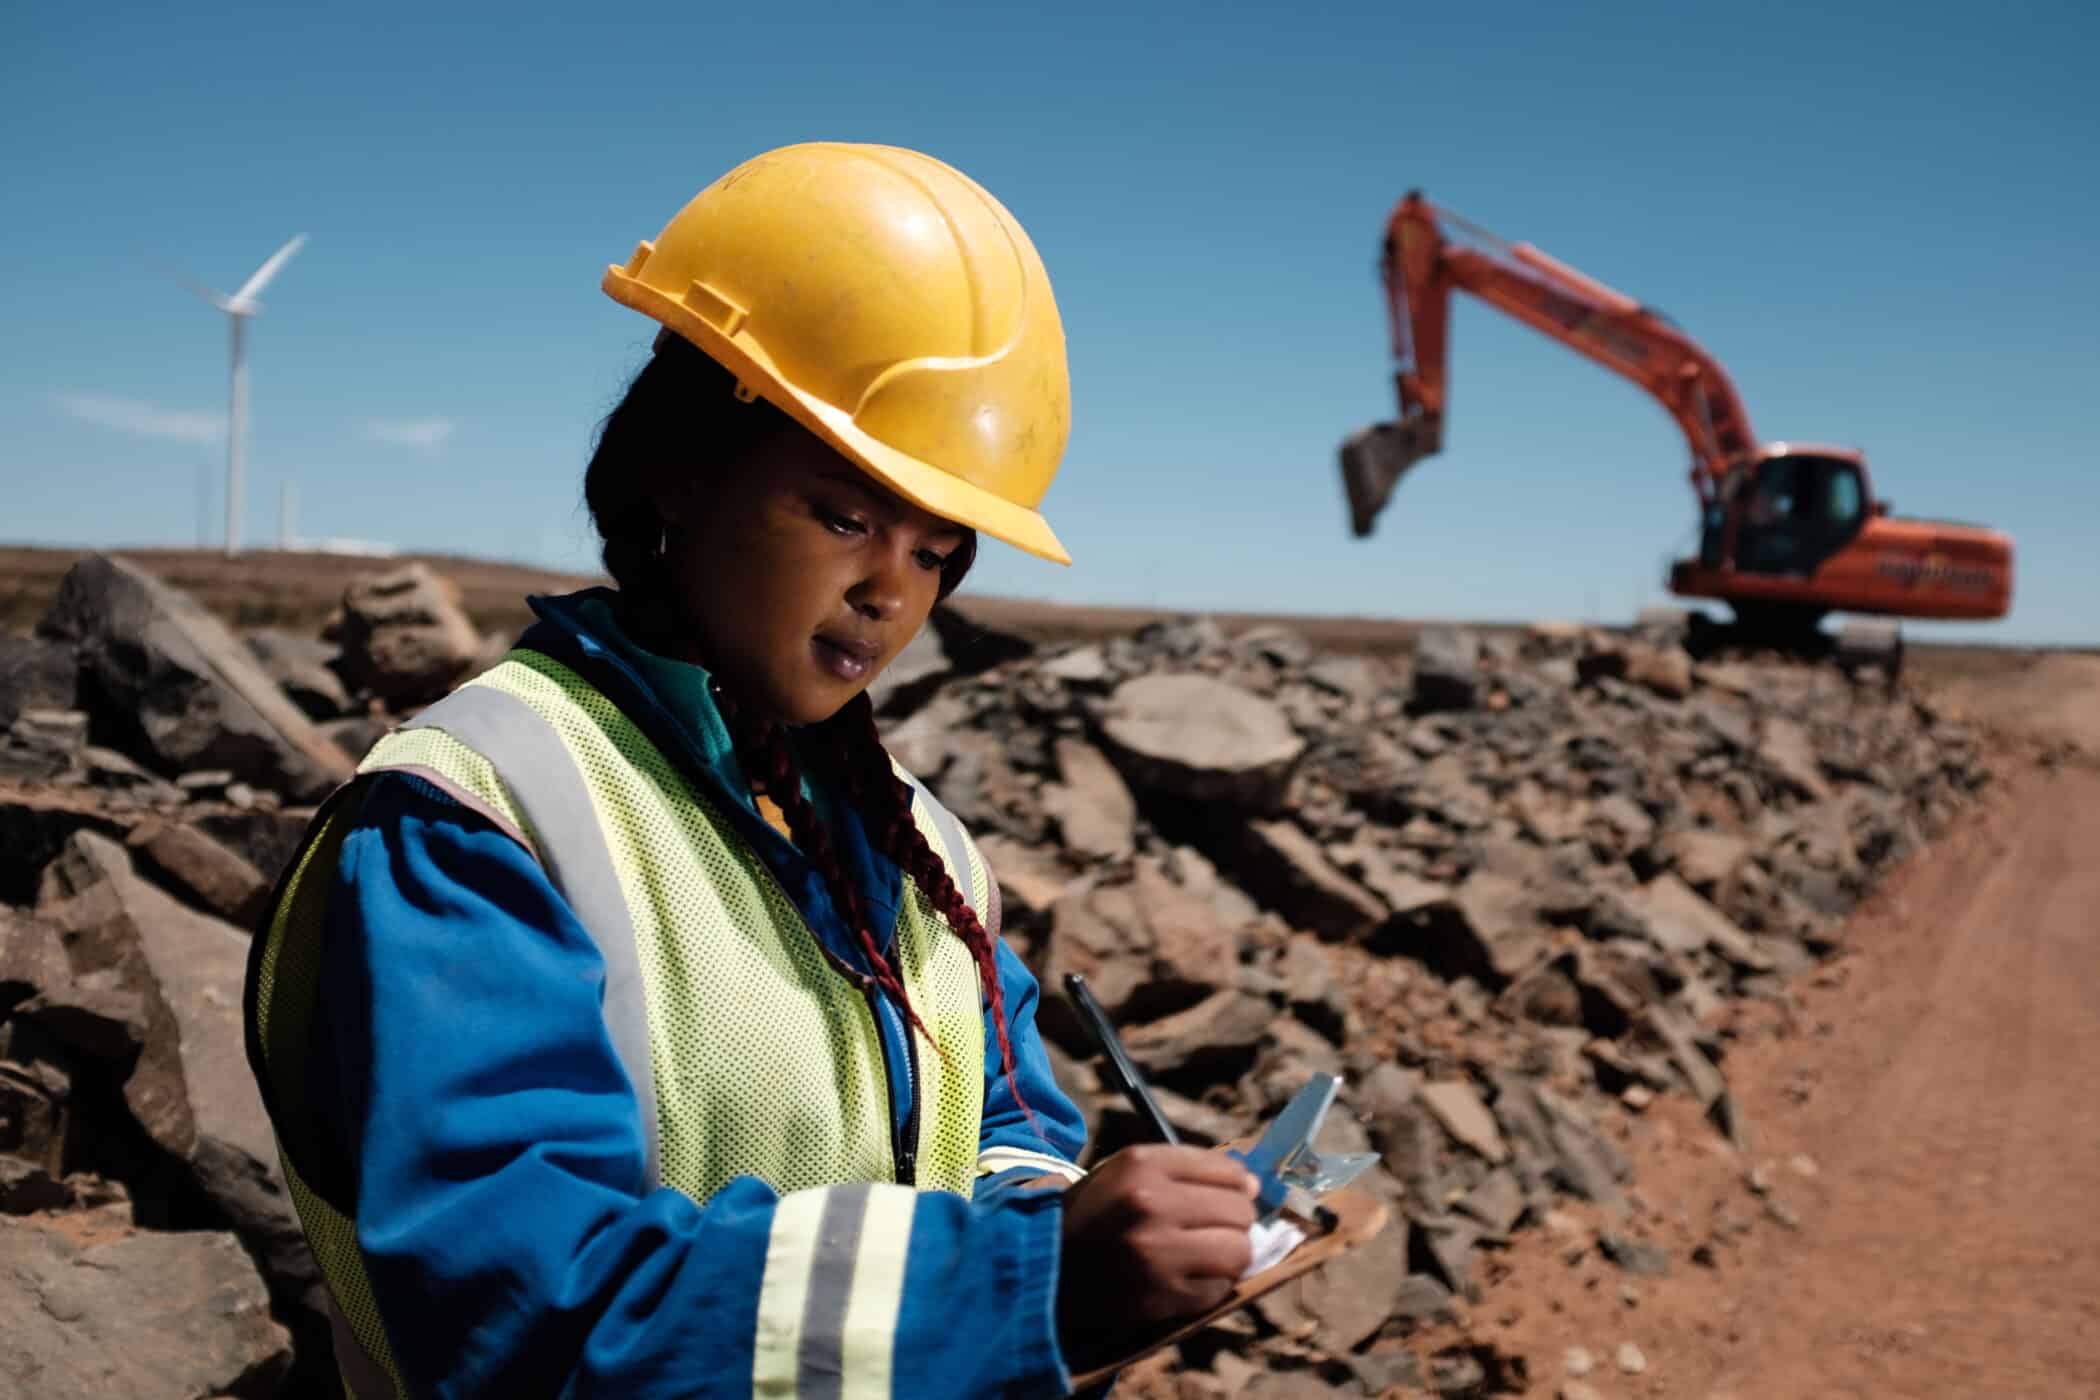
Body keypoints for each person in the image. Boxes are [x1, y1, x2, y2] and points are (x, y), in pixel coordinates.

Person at [243, 141, 1259, 1399]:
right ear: (682, 473)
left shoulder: (920, 852)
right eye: (844, 517)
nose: (891, 590)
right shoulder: (481, 813)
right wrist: (1021, 1287)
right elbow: (526, 1307)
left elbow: (1001, 1125)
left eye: (938, 549)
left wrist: (1061, 1225)